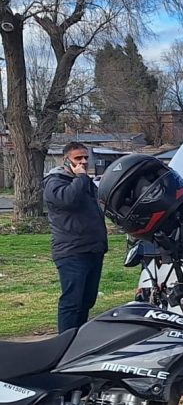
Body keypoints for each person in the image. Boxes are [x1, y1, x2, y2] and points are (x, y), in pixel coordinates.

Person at [44, 142, 108, 332]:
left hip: (92, 249)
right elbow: (68, 200)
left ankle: (77, 340)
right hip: (71, 252)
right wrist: (80, 178)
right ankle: (64, 344)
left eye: (86, 158)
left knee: (87, 300)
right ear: (66, 160)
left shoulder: (85, 182)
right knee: (72, 301)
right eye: (78, 158)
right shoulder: (54, 182)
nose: (83, 162)